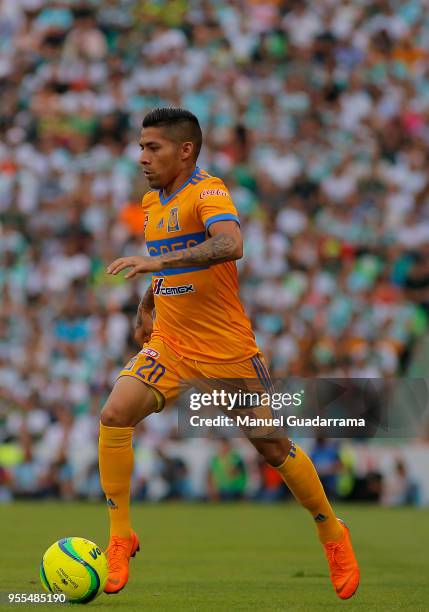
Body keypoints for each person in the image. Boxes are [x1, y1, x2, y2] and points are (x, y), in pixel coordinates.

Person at [98, 107, 360, 598]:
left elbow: (229, 244)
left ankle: (331, 530)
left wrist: (155, 261)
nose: (142, 158)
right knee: (114, 415)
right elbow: (169, 266)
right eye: (140, 147)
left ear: (185, 150)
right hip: (171, 344)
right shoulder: (153, 203)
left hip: (226, 352)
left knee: (271, 445)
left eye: (152, 148)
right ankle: (120, 537)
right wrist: (146, 304)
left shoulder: (209, 190)